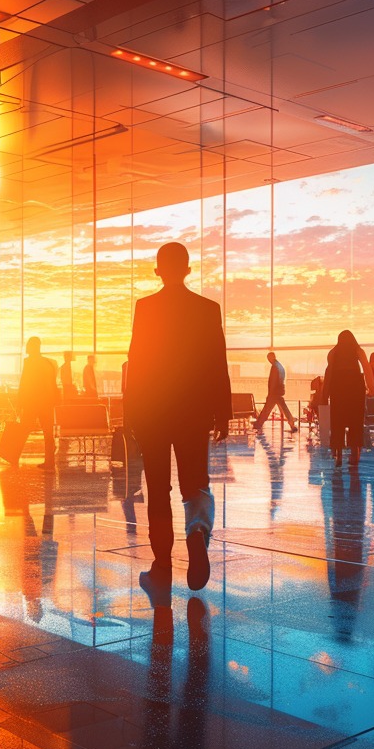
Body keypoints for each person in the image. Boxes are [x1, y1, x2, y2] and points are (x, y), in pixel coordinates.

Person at [125, 243, 231, 594]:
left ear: (158, 271)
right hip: (193, 413)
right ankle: (197, 536)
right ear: (187, 270)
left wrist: (131, 414)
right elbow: (218, 362)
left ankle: (162, 566)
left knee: (158, 489)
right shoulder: (206, 309)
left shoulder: (146, 308)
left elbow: (137, 362)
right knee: (194, 483)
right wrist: (223, 411)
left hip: (154, 413)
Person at [324, 330, 374, 468]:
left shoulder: (333, 352)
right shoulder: (358, 350)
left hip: (338, 389)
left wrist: (326, 393)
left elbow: (329, 372)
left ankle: (339, 455)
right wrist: (371, 387)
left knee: (337, 422)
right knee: (355, 421)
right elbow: (366, 368)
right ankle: (354, 454)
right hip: (355, 389)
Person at [18, 337, 59, 468]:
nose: (26, 348)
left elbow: (25, 383)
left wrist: (20, 402)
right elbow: (53, 384)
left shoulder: (29, 362)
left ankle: (12, 455)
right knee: (48, 433)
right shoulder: (50, 363)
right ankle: (50, 461)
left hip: (32, 402)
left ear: (32, 347)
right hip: (47, 402)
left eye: (28, 345)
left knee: (23, 428)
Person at [254, 352, 298, 433]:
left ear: (271, 357)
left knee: (267, 409)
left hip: (274, 392)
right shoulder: (280, 366)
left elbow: (273, 381)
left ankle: (258, 424)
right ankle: (291, 422)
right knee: (283, 408)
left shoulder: (274, 367)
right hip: (279, 391)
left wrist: (270, 393)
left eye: (268, 358)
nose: (268, 361)